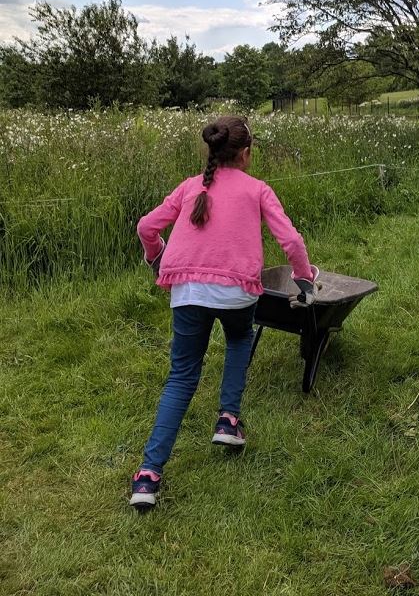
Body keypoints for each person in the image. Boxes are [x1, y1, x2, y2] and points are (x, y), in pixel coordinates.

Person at [130, 116, 318, 510]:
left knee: (181, 376)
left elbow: (147, 226)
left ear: (211, 150)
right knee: (238, 339)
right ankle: (228, 419)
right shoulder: (258, 189)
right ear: (246, 154)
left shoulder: (188, 187)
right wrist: (305, 278)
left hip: (187, 290)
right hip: (237, 292)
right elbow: (291, 240)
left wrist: (156, 256)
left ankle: (148, 476)